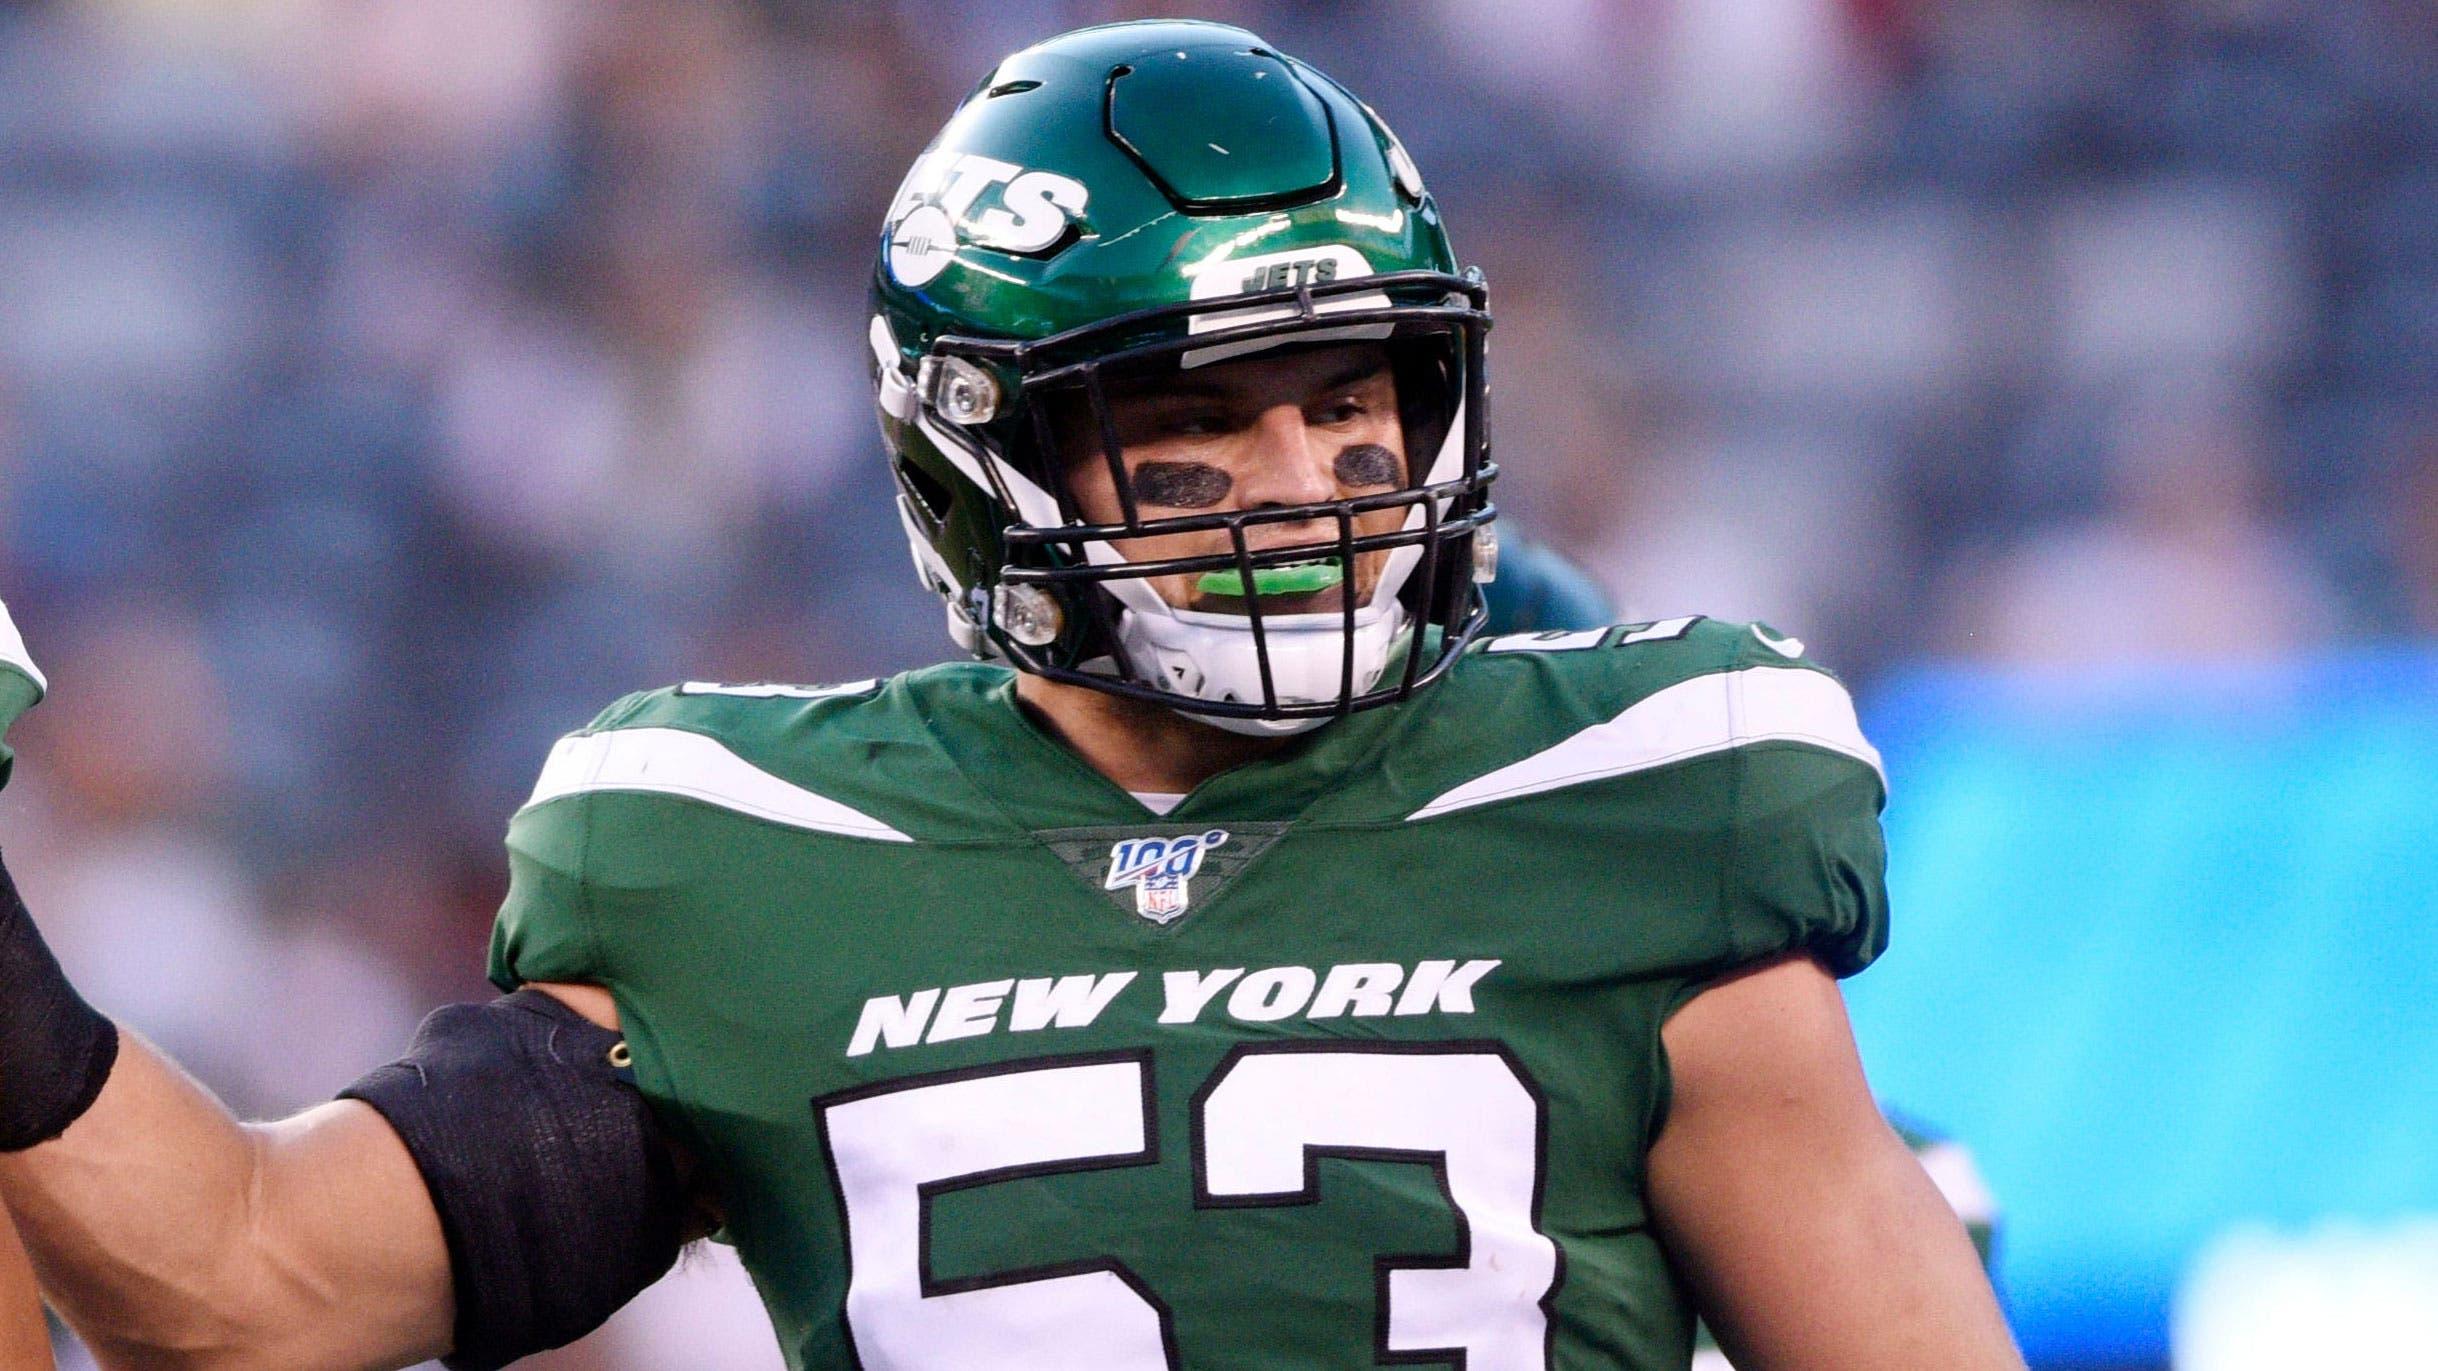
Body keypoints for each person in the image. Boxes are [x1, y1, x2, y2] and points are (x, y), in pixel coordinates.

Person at [0, 20, 2023, 1371]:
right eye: (1198, 427)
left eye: (1350, 401)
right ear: (991, 456)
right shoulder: (750, 855)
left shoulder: (1641, 796)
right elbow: (243, 1278)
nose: (1307, 482)